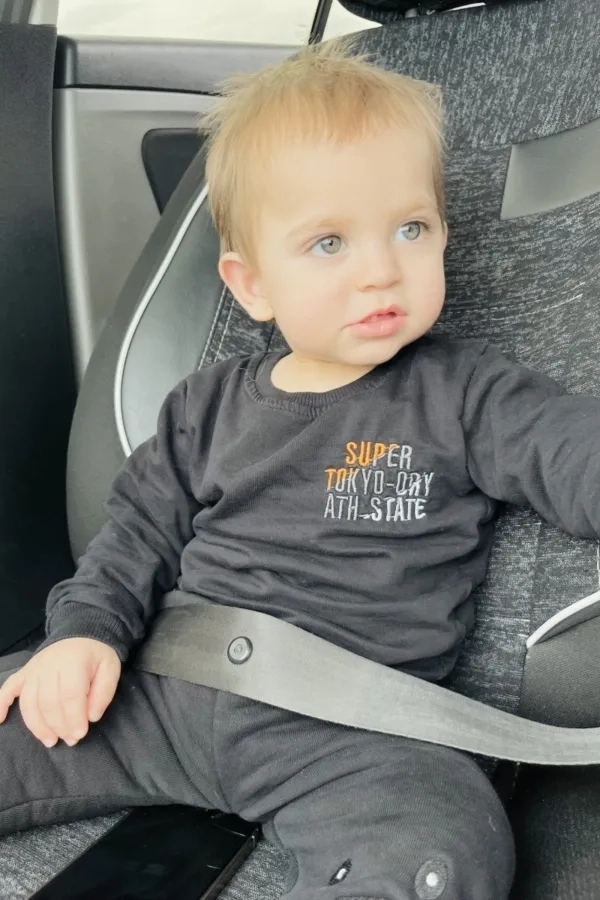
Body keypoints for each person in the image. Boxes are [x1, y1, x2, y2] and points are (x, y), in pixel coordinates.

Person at [1, 37, 599, 900]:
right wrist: (83, 636)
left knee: (443, 845)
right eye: (328, 243)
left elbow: (568, 450)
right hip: (162, 694)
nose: (381, 270)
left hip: (352, 734)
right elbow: (131, 539)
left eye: (411, 228)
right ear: (250, 285)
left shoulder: (466, 393)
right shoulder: (205, 406)